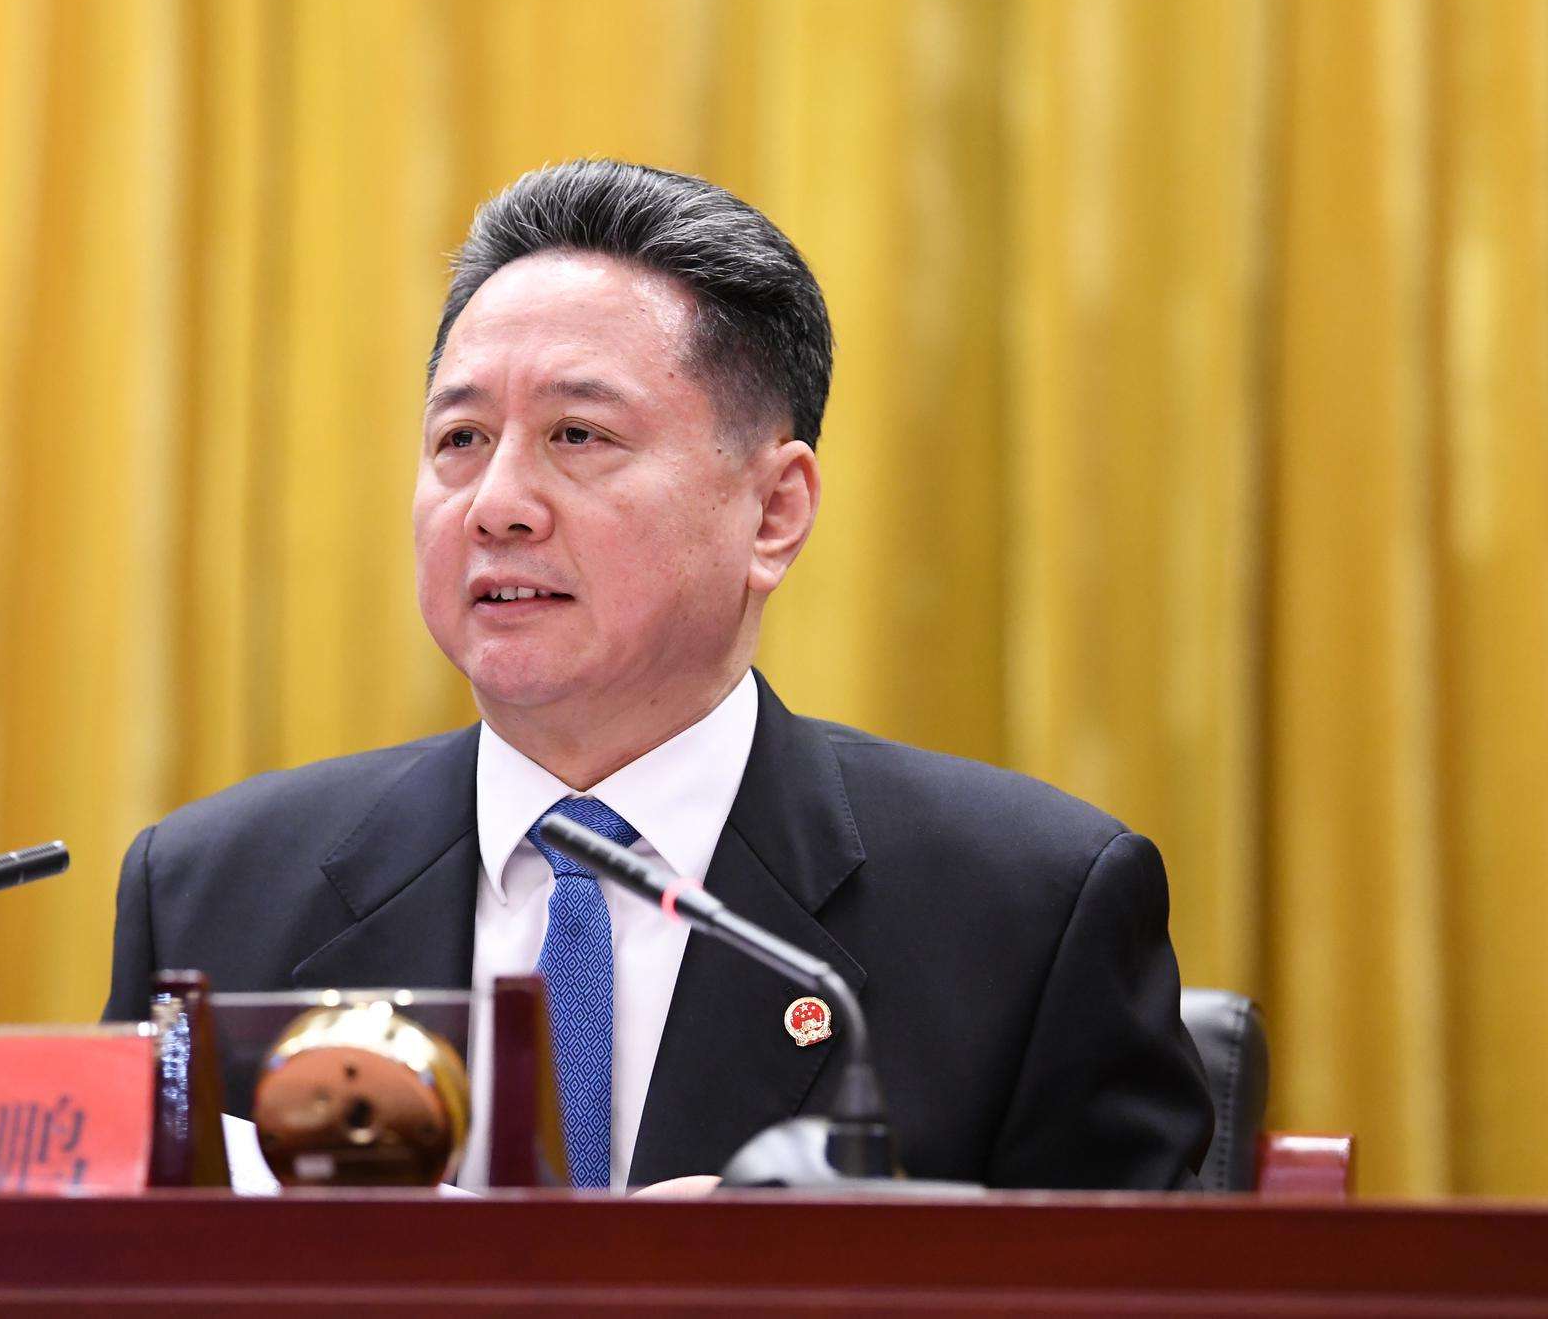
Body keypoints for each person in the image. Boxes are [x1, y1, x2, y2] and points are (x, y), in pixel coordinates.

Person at [103, 160, 1212, 1192]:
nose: (496, 504)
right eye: (460, 439)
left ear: (772, 512)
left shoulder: (1022, 913)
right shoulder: (210, 896)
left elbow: (1124, 1297)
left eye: (578, 436)